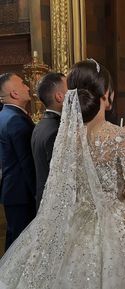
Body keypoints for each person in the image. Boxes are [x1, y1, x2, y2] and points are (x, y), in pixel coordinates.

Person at [0, 60, 125, 289]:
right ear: (107, 94)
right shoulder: (120, 136)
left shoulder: (65, 138)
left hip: (73, 221)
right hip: (115, 223)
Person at [0, 73, 36, 251]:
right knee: (21, 246)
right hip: (22, 193)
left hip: (13, 191)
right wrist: (39, 194)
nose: (28, 87)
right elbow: (27, 163)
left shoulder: (4, 115)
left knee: (14, 240)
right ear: (14, 93)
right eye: (23, 84)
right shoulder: (15, 120)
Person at [31, 72, 67, 211]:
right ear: (59, 96)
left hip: (43, 198)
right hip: (55, 205)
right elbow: (61, 178)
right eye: (70, 89)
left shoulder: (41, 124)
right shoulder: (56, 130)